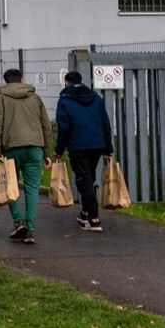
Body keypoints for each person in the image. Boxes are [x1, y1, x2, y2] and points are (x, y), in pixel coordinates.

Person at [0, 67, 53, 244]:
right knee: (32, 189)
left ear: (6, 81)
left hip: (11, 149)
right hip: (35, 149)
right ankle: (30, 229)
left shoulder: (1, 98)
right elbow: (46, 126)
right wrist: (48, 152)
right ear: (21, 79)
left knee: (11, 186)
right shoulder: (35, 97)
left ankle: (18, 222)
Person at [55, 69, 114, 232]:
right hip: (97, 144)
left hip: (78, 145)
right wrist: (108, 147)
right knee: (89, 177)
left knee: (83, 179)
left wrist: (58, 150)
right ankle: (85, 212)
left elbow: (64, 127)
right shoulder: (95, 98)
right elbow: (105, 123)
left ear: (67, 82)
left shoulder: (65, 100)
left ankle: (93, 218)